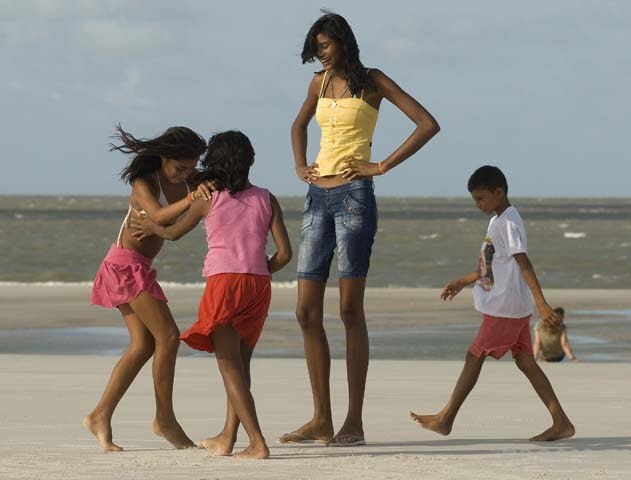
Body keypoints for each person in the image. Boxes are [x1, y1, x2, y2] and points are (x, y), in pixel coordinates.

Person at [279, 11, 440, 447]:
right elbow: (298, 125)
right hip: (316, 199)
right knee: (305, 312)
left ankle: (353, 422)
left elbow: (427, 124)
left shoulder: (373, 81)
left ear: (344, 42)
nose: (320, 53)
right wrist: (300, 166)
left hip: (354, 197)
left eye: (325, 45)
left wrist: (380, 165)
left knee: (350, 311)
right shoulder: (318, 84)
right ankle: (321, 419)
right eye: (315, 48)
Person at [131, 130, 292, 459]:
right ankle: (227, 437)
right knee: (241, 367)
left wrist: (152, 228)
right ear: (250, 162)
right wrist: (258, 270)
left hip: (224, 284)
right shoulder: (267, 198)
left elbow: (173, 233)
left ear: (213, 163)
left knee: (229, 367)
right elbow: (285, 254)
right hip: (259, 285)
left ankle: (257, 442)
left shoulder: (209, 198)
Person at [410, 166, 575, 442]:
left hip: (504, 308)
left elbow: (523, 262)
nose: (478, 205)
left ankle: (445, 419)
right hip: (512, 307)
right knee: (525, 361)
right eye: (475, 200)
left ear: (499, 192)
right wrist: (463, 281)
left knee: (475, 355)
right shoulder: (498, 220)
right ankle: (561, 422)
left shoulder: (508, 223)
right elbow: (491, 264)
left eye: (481, 198)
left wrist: (542, 304)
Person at [85, 125, 211, 451]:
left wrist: (200, 188)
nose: (185, 173)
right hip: (123, 265)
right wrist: (191, 198)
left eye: (191, 168)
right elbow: (158, 214)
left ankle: (100, 415)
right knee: (168, 336)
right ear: (164, 157)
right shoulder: (145, 183)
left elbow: (180, 215)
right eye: (180, 167)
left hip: (139, 267)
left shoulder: (190, 182)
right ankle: (164, 419)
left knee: (143, 345)